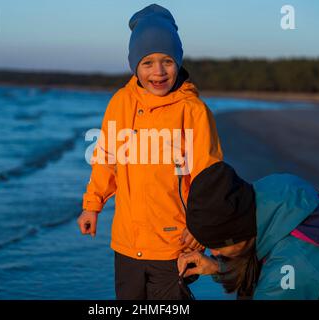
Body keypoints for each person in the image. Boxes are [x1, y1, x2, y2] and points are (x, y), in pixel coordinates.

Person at [77, 4, 223, 300]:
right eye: (148, 63)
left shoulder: (192, 111)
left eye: (167, 61)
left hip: (175, 243)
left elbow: (209, 176)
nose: (158, 71)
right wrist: (92, 204)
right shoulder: (120, 102)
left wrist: (201, 227)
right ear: (135, 66)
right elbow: (106, 159)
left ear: (178, 62)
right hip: (127, 242)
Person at [177, 161, 319, 300]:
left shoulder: (292, 264)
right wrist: (218, 267)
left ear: (237, 233)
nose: (215, 252)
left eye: (216, 246)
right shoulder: (279, 201)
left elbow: (284, 273)